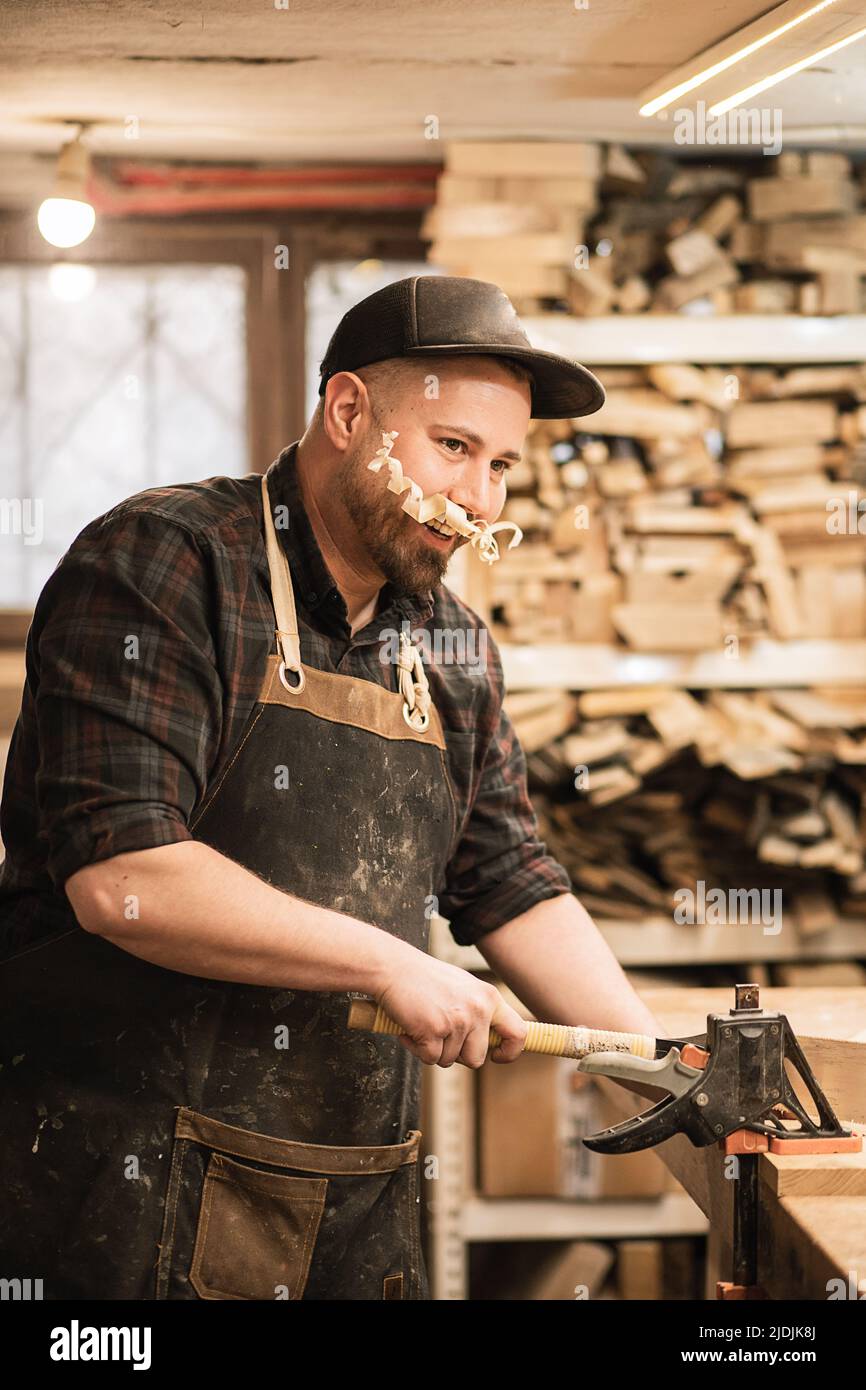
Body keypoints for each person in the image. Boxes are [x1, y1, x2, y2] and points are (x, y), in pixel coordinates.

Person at [0, 274, 661, 1300]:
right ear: (349, 413)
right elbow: (123, 875)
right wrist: (390, 965)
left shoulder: (447, 641)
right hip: (118, 1187)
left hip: (347, 1195)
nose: (477, 499)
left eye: (500, 467)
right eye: (451, 447)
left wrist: (654, 1065)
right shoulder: (164, 564)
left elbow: (507, 878)